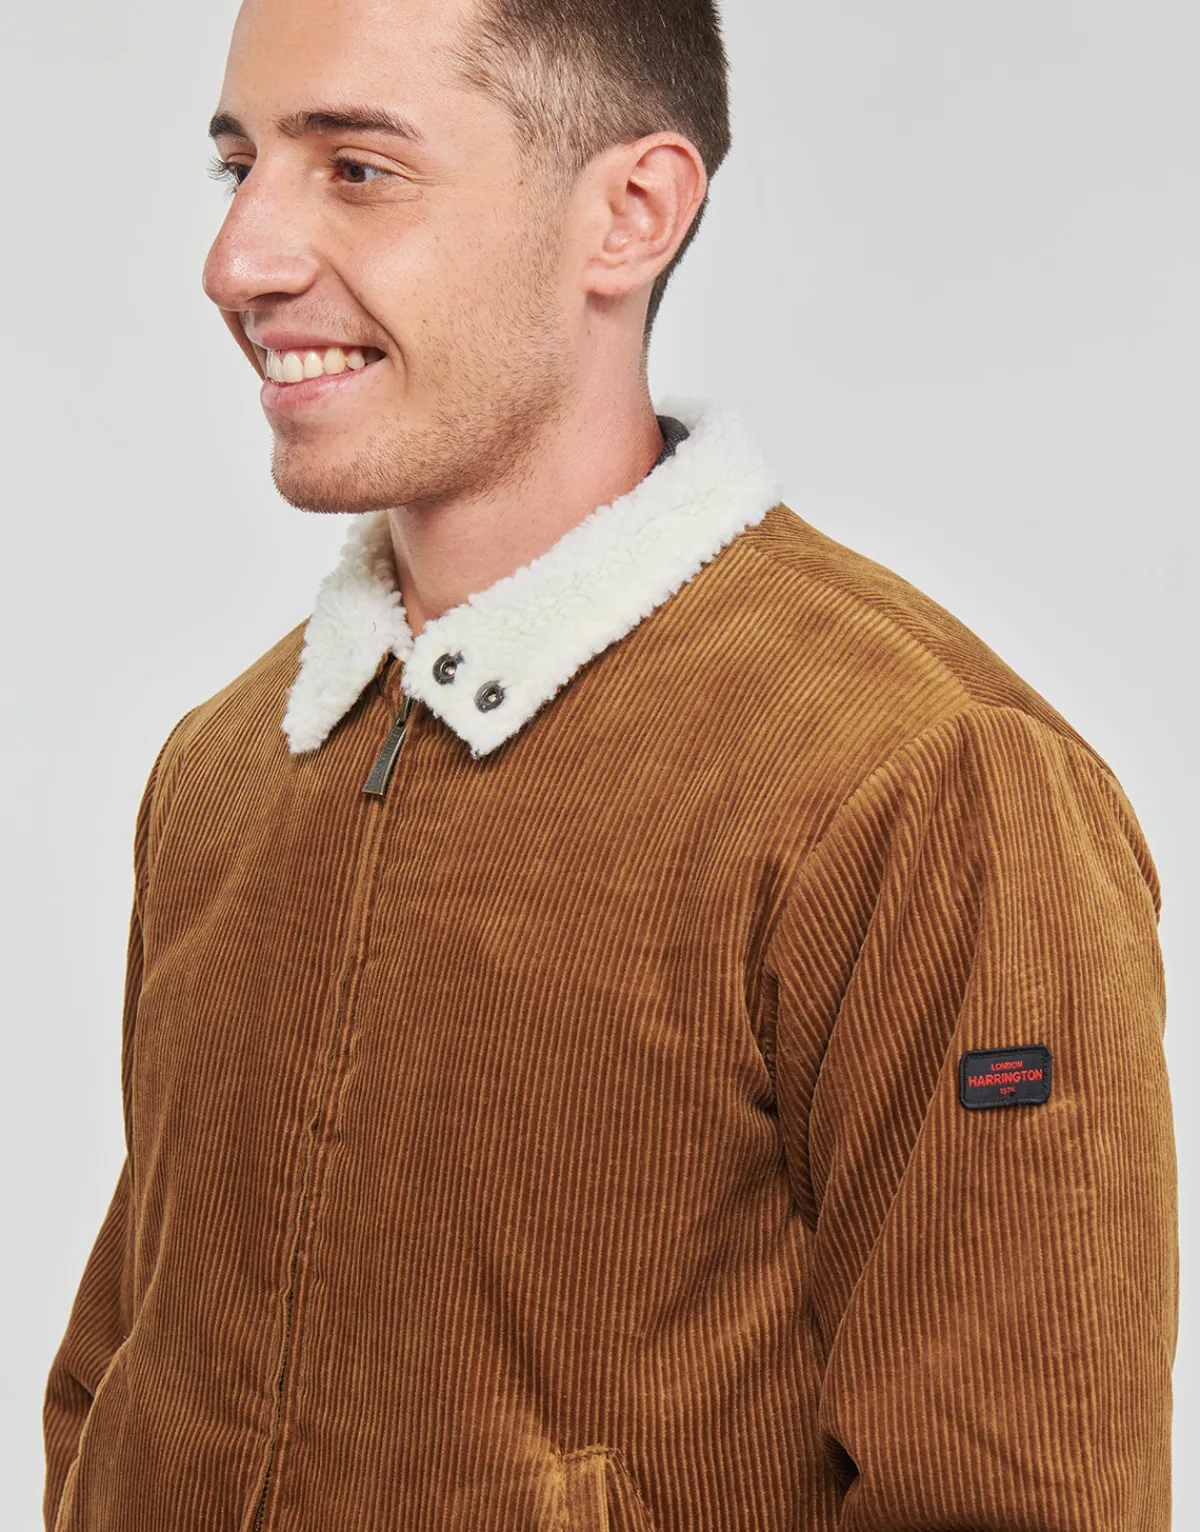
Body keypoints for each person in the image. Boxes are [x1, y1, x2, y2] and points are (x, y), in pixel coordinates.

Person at [42, 0, 1178, 1528]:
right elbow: (117, 1383)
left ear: (630, 214)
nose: (239, 259)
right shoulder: (226, 772)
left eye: (357, 169)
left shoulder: (923, 779)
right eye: (239, 166)